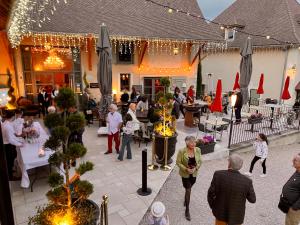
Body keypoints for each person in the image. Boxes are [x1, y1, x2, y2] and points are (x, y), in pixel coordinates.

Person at [207, 154, 256, 225]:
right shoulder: (247, 181)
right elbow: (252, 199)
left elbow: (210, 193)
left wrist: (214, 207)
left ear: (229, 164)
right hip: (237, 217)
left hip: (220, 214)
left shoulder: (218, 174)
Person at [176, 136, 202, 221]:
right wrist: (186, 169)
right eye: (191, 142)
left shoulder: (198, 150)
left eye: (194, 142)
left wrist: (196, 168)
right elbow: (178, 162)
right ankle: (187, 210)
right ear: (187, 143)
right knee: (188, 189)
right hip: (185, 175)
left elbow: (200, 161)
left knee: (189, 188)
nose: (193, 144)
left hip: (194, 174)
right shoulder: (181, 151)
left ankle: (186, 199)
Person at [278, 153, 300, 225]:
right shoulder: (297, 171)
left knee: (292, 223)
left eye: (295, 160)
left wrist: (294, 208)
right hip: (289, 205)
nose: (292, 161)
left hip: (294, 209)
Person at [1, 110, 23, 180]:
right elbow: (10, 139)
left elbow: (13, 135)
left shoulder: (6, 123)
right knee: (9, 160)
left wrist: (19, 139)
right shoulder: (7, 126)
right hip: (7, 145)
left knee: (11, 158)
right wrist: (20, 144)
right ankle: (10, 177)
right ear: (13, 117)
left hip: (8, 144)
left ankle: (10, 170)